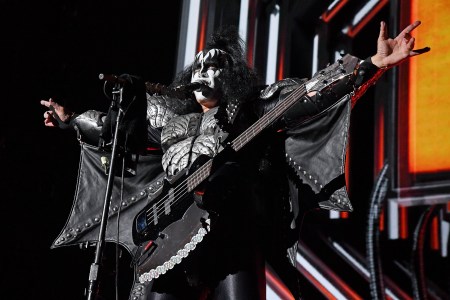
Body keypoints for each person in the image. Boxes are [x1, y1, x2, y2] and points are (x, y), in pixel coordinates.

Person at [41, 20, 428, 299]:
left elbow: (310, 93)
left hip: (233, 234)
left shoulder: (250, 108)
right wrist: (70, 121)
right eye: (201, 65)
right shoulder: (170, 118)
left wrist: (371, 65)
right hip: (167, 238)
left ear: (231, 77)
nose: (206, 71)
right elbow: (113, 129)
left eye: (216, 66)